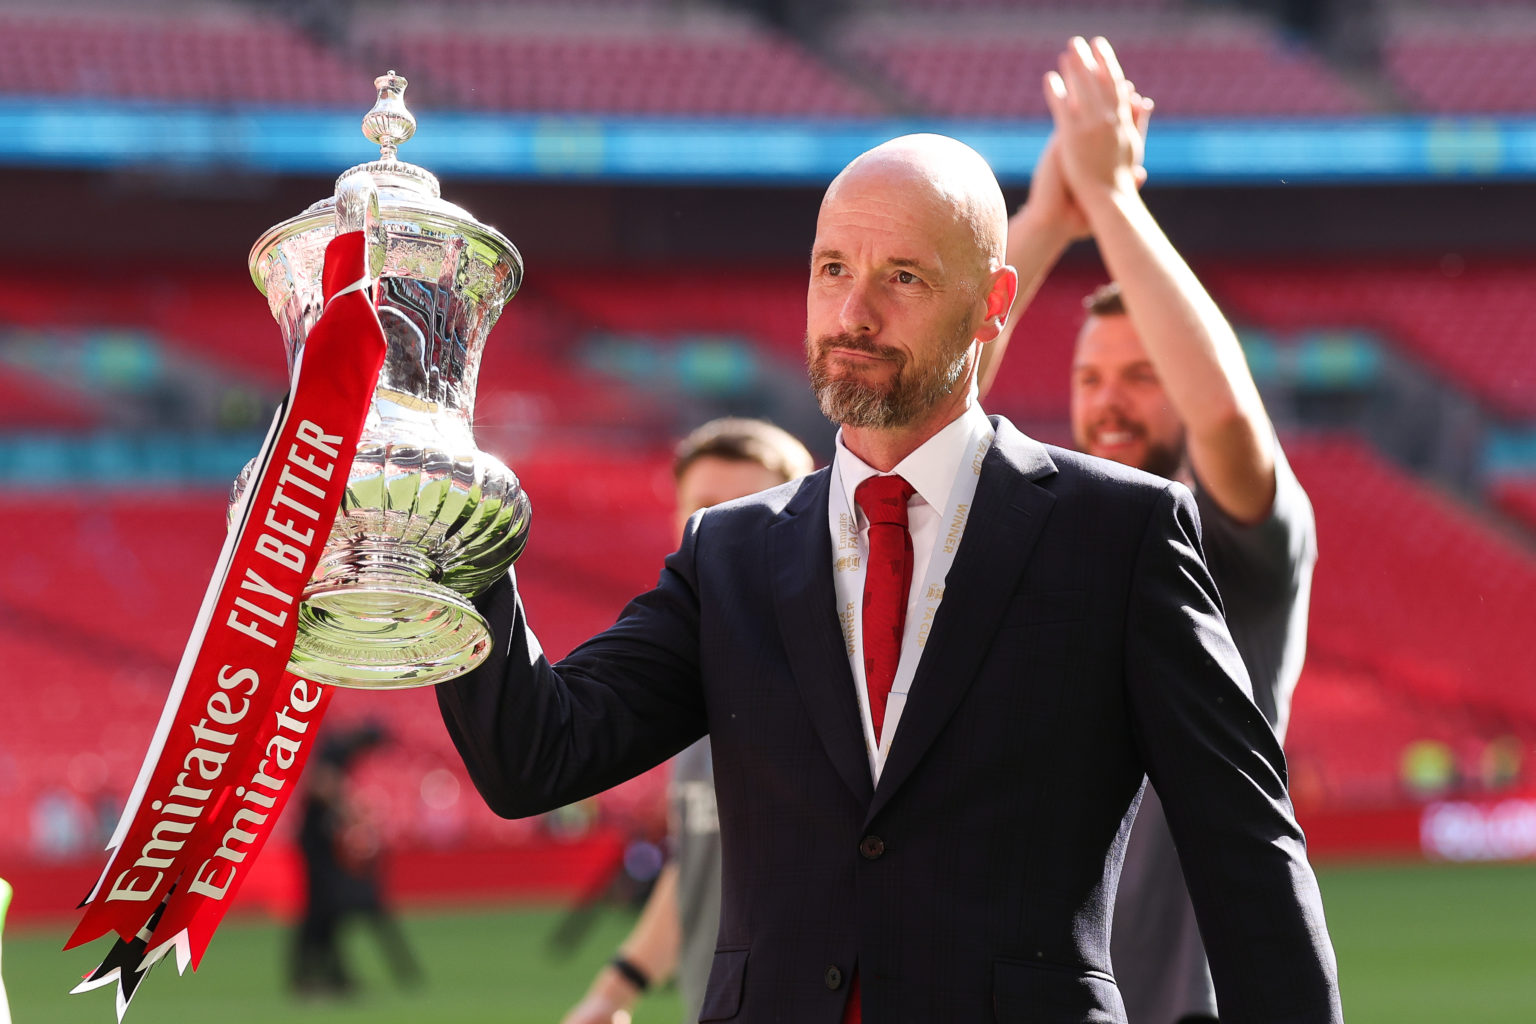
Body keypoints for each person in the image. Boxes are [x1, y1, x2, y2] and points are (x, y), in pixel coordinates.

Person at [439, 36, 1341, 1022]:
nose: (854, 311)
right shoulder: (730, 553)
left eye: (903, 277)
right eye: (833, 268)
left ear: (991, 303)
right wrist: (449, 519)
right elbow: (534, 756)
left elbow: (1247, 857)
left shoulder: (1117, 535)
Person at [978, 37, 1318, 1024]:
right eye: (1089, 379)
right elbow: (927, 415)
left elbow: (1224, 423)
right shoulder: (1046, 524)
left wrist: (1116, 200)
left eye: (1140, 376)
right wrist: (1044, 218)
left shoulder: (1243, 559)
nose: (1109, 404)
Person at [561, 419, 815, 1024]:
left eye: (748, 506)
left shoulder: (843, 677)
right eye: (703, 509)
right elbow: (699, 865)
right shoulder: (701, 673)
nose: (722, 527)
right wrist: (612, 992)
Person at [291, 724, 422, 997]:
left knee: (325, 910)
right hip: (317, 844)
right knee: (319, 910)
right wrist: (351, 812)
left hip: (320, 841)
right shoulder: (338, 750)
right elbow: (322, 784)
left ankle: (328, 976)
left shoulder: (339, 749)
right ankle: (311, 976)